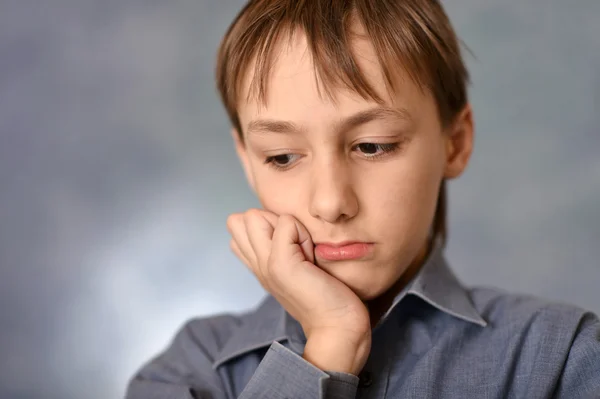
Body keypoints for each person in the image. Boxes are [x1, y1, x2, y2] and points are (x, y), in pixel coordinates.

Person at [125, 1, 600, 398]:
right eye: (283, 156)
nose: (331, 203)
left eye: (373, 146)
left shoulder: (562, 357)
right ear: (248, 160)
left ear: (455, 142)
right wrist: (329, 345)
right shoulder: (189, 370)